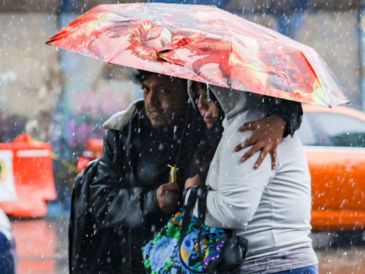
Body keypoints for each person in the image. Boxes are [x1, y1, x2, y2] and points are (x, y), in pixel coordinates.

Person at [69, 71, 303, 273]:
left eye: (165, 91)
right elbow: (102, 202)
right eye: (147, 89)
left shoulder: (206, 119)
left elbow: (261, 103)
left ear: (185, 90)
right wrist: (151, 201)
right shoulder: (123, 132)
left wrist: (282, 121)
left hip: (195, 258)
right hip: (136, 259)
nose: (152, 101)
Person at [188, 84, 318, 274]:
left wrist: (192, 196)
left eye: (207, 93)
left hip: (271, 263)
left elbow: (234, 211)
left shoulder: (251, 126)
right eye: (196, 96)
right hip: (280, 260)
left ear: (223, 90)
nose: (201, 104)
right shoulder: (258, 122)